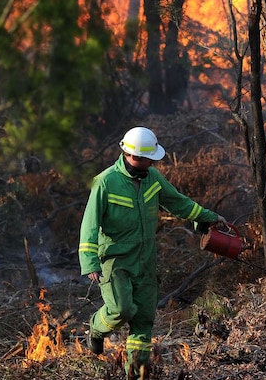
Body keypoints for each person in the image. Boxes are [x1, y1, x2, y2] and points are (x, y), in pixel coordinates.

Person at [78, 126, 223, 379]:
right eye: (149, 158)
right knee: (122, 310)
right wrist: (90, 261)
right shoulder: (105, 182)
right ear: (133, 156)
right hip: (116, 261)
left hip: (145, 261)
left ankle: (136, 371)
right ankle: (95, 329)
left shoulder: (153, 179)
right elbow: (89, 224)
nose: (152, 162)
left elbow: (179, 203)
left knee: (144, 319)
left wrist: (208, 218)